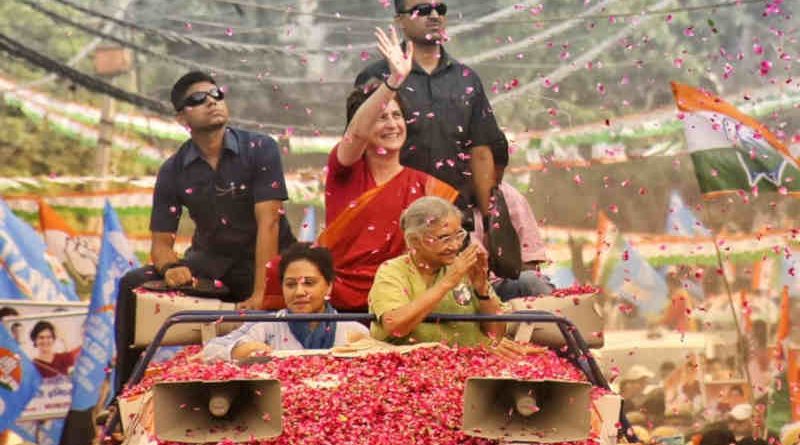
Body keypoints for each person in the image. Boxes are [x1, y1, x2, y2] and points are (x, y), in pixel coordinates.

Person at [113, 71, 295, 393]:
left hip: (271, 264)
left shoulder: (260, 148)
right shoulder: (173, 169)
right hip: (211, 271)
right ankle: (125, 391)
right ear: (182, 117)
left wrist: (260, 292)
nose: (211, 101)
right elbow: (160, 243)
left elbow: (269, 222)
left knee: (310, 271)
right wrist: (171, 267)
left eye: (216, 94)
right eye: (198, 99)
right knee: (132, 284)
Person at [315, 26, 458, 311]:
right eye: (381, 118)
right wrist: (394, 82)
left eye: (396, 116)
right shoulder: (345, 170)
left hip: (403, 299)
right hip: (342, 300)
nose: (392, 125)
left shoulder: (425, 185)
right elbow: (355, 135)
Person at [354, 0, 508, 224]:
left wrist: (489, 223)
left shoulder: (466, 79)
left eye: (440, 9)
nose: (434, 15)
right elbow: (357, 147)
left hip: (454, 218)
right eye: (423, 10)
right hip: (392, 218)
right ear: (400, 20)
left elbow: (481, 153)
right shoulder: (377, 77)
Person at [368, 196, 506, 346]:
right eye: (445, 238)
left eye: (459, 235)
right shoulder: (392, 271)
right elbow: (395, 326)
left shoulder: (465, 266)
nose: (455, 246)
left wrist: (482, 290)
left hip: (471, 361)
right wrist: (448, 281)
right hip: (412, 364)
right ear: (415, 240)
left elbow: (496, 335)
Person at [204, 243, 368, 361]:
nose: (299, 292)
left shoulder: (353, 330)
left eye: (309, 283)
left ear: (329, 287)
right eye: (290, 284)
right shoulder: (266, 326)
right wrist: (237, 351)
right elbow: (210, 350)